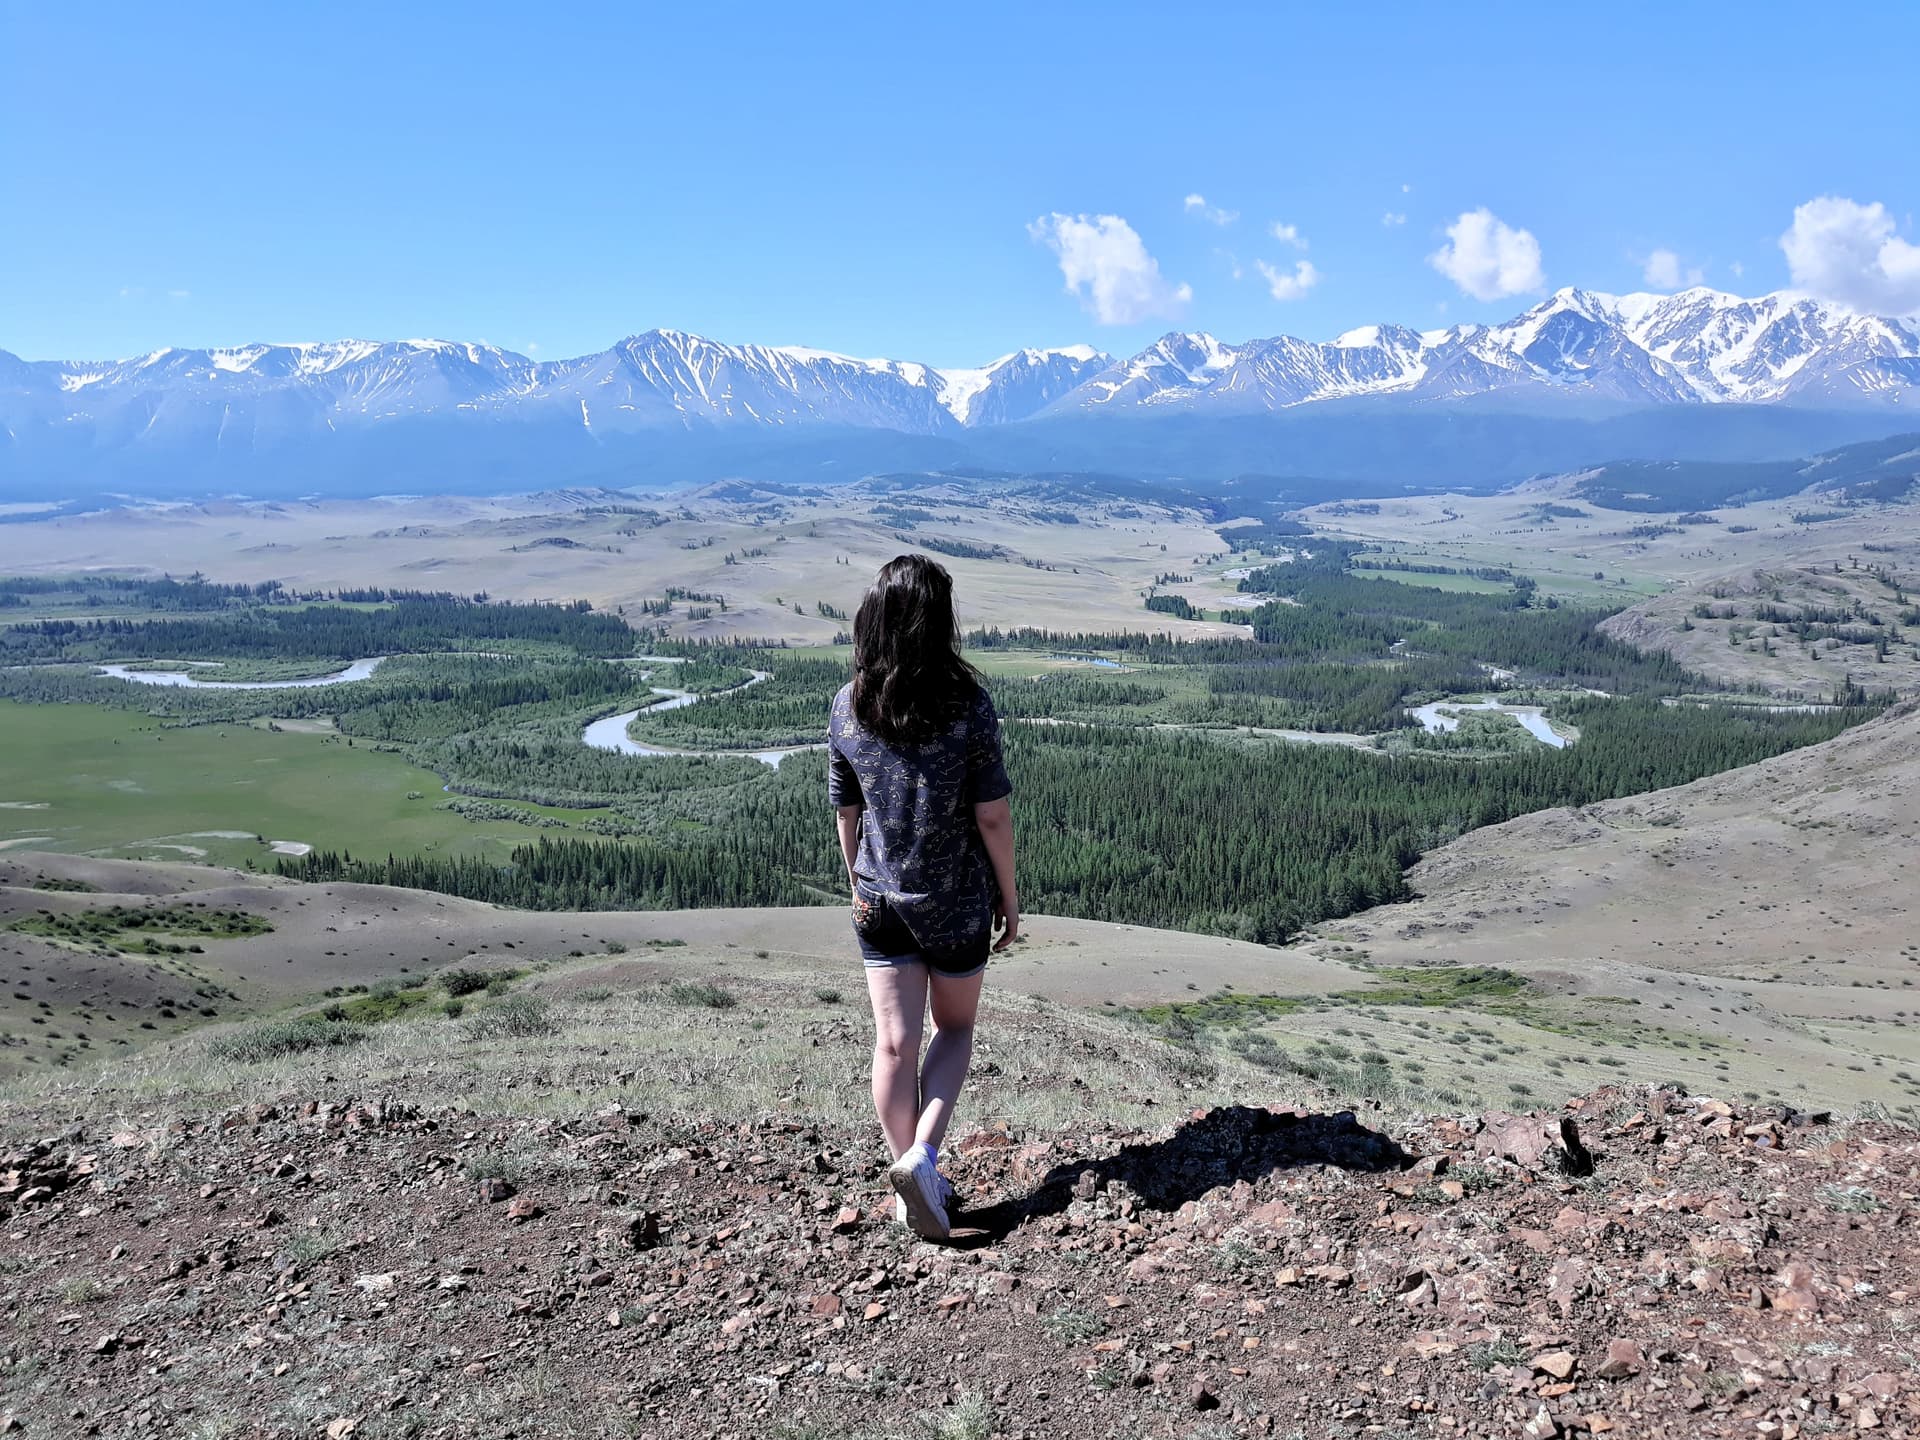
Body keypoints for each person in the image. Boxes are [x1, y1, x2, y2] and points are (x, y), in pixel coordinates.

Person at [827, 554, 1019, 1239]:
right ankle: (922, 1161)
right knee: (955, 1029)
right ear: (938, 625)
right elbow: (991, 815)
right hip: (956, 900)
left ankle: (912, 1181)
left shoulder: (848, 705)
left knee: (893, 1045)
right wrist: (1011, 897)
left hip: (878, 901)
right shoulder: (966, 704)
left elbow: (846, 812)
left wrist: (860, 881)